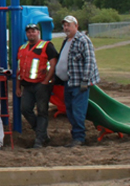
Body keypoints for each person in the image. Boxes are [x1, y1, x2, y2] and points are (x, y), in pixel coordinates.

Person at [55, 15, 100, 148]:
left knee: (77, 110)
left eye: (68, 25)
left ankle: (79, 138)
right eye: (64, 25)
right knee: (69, 110)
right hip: (67, 82)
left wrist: (85, 80)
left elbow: (90, 61)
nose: (66, 27)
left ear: (76, 26)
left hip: (79, 83)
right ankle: (76, 136)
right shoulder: (67, 41)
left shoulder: (83, 40)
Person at [16, 23, 58, 149]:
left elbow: (53, 63)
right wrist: (18, 86)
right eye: (28, 32)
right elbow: (19, 68)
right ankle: (42, 133)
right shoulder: (22, 48)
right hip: (27, 85)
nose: (31, 34)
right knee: (25, 109)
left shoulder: (47, 46)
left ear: (38, 32)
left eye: (33, 31)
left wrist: (47, 80)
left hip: (41, 84)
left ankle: (39, 139)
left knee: (42, 111)